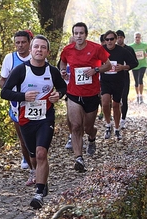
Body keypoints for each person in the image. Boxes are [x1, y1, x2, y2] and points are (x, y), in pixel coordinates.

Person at [1, 35, 67, 209]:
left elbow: (62, 87)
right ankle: (42, 180)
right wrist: (23, 96)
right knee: (33, 156)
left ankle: (38, 193)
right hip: (26, 118)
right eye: (36, 47)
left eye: (43, 47)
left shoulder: (52, 71)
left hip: (45, 117)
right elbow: (4, 92)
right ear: (31, 50)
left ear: (48, 52)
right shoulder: (21, 70)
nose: (39, 50)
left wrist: (58, 95)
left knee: (41, 153)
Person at [59, 22, 111, 172]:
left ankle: (92, 137)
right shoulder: (67, 50)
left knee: (88, 127)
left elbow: (107, 65)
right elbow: (62, 63)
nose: (79, 36)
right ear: (73, 35)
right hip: (74, 93)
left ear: (86, 35)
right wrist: (63, 72)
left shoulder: (96, 48)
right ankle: (79, 158)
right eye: (76, 33)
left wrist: (96, 69)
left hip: (91, 94)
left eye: (81, 33)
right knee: (76, 126)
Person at [0, 30, 36, 186]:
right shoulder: (10, 58)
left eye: (23, 42)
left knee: (37, 138)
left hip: (36, 102)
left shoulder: (37, 55)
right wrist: (9, 94)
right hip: (17, 104)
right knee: (23, 139)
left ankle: (39, 166)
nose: (20, 45)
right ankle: (32, 169)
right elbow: (3, 81)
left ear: (29, 43)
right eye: (17, 43)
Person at [101, 30, 138, 140]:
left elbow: (134, 63)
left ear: (116, 40)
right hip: (105, 81)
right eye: (107, 39)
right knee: (105, 102)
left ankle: (117, 128)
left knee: (116, 105)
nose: (109, 41)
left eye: (111, 39)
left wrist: (123, 67)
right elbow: (92, 61)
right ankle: (108, 125)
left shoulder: (122, 51)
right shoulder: (101, 50)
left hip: (118, 81)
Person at [116, 30, 138, 129]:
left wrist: (124, 67)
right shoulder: (112, 49)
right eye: (118, 37)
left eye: (121, 37)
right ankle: (115, 118)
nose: (119, 39)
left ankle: (123, 119)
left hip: (124, 76)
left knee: (124, 98)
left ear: (124, 38)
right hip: (112, 77)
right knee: (114, 99)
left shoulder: (129, 49)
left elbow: (135, 63)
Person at [130, 32, 147, 104]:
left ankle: (141, 96)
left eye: (139, 37)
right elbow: (128, 53)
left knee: (140, 79)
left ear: (140, 38)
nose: (137, 38)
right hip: (135, 65)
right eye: (136, 37)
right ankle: (137, 96)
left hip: (143, 64)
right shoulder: (131, 46)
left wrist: (146, 54)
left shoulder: (144, 45)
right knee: (136, 81)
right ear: (134, 38)